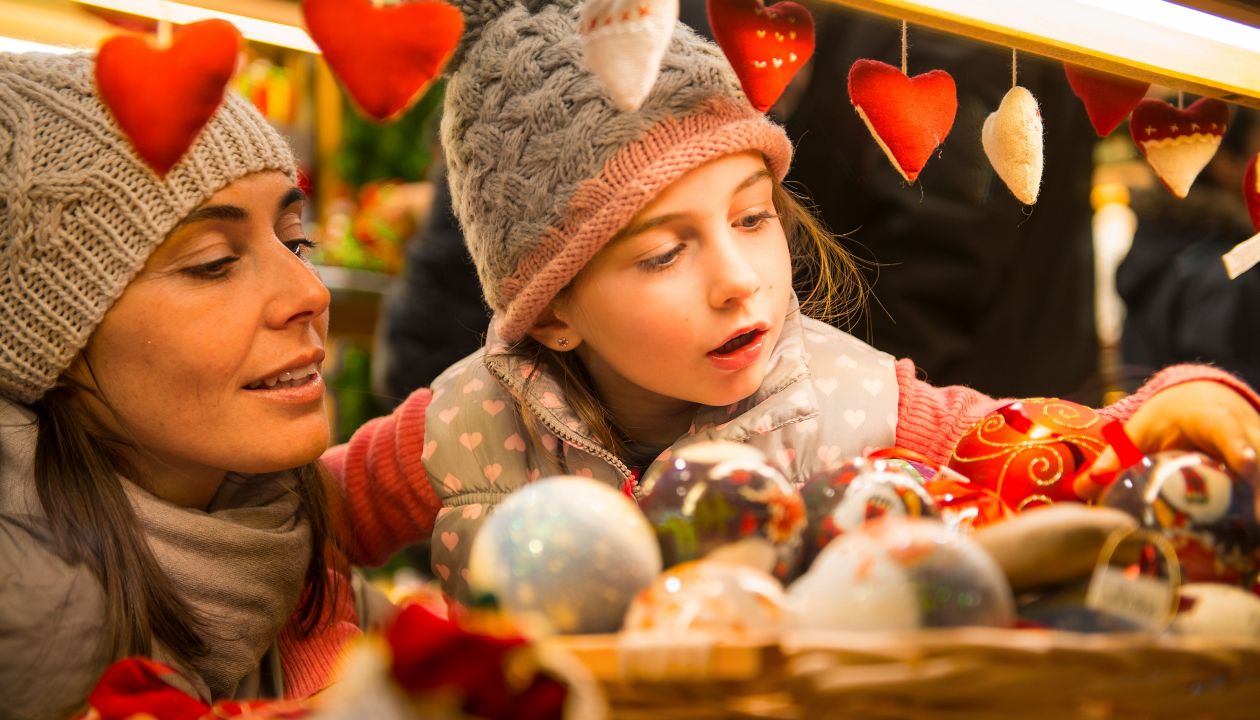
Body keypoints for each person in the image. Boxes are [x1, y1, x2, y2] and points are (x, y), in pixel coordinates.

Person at [328, 0, 1260, 603]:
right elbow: (290, 529)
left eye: (751, 217)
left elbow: (1034, 447)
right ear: (552, 308)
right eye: (661, 254)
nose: (738, 278)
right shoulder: (463, 424)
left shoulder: (855, 404)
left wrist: (1166, 410)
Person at [0, 52, 398, 718]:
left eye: (295, 243)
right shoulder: (36, 636)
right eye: (213, 264)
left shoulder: (296, 553)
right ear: (50, 339)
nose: (309, 292)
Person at [1118, 107, 1260, 390]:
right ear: (1225, 163)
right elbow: (1227, 399)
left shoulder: (1163, 242)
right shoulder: (1227, 273)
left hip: (1153, 425)